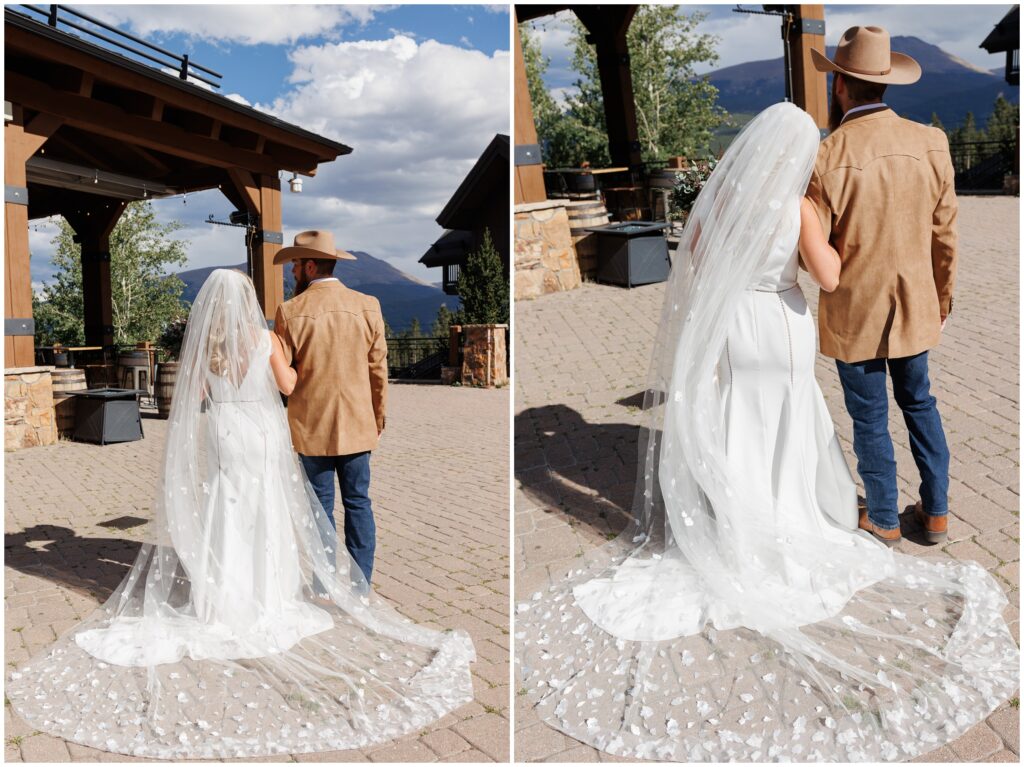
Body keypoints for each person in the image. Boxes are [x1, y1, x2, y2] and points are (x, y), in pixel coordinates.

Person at [516, 103, 1018, 762]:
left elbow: (692, 268)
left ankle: (740, 521)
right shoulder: (799, 209)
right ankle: (816, 513)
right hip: (781, 326)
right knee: (792, 418)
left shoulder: (718, 203)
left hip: (732, 329)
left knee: (738, 421)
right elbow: (830, 276)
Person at [7, 270, 474, 759]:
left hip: (225, 429)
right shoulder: (266, 337)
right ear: (248, 301)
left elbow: (195, 399)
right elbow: (289, 382)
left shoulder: (207, 348)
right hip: (260, 429)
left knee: (227, 509)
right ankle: (267, 596)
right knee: (265, 511)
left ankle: (222, 601)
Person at [807, 25, 956, 547]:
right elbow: (945, 235)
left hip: (855, 311)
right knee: (921, 404)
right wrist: (942, 299)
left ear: (840, 85)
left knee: (869, 417)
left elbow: (817, 251)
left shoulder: (826, 156)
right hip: (917, 304)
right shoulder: (931, 141)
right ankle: (936, 514)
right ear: (884, 83)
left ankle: (886, 520)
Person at [272, 230, 387, 586]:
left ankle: (324, 589)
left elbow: (284, 376)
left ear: (309, 266)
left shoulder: (290, 311)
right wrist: (377, 417)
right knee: (358, 503)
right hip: (358, 423)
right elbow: (378, 371)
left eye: (294, 264)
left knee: (319, 510)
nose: (291, 271)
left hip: (310, 427)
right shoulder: (368, 305)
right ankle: (360, 586)